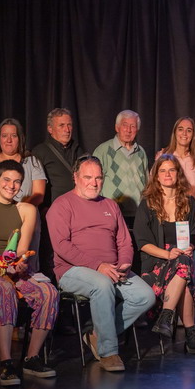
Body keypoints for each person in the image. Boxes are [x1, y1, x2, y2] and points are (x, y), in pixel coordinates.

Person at [47, 155, 155, 372]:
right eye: (88, 177)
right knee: (102, 284)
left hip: (112, 269)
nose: (94, 183)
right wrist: (97, 266)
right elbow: (61, 246)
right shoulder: (62, 205)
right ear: (75, 177)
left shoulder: (110, 205)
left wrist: (124, 263)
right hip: (73, 270)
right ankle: (108, 352)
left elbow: (124, 241)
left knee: (145, 296)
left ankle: (97, 335)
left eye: (98, 178)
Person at [0, 160, 58, 387]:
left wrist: (20, 263)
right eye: (7, 180)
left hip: (12, 269)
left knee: (49, 292)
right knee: (4, 288)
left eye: (17, 181)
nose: (11, 185)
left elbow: (21, 250)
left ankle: (31, 358)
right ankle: (6, 363)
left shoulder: (27, 210)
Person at [133, 155, 195, 354]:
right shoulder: (147, 204)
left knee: (184, 263)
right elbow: (142, 243)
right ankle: (190, 333)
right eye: (163, 170)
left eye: (172, 170)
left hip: (181, 260)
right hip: (156, 264)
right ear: (156, 176)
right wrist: (167, 254)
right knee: (185, 268)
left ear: (178, 174)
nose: (167, 174)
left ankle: (166, 317)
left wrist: (191, 246)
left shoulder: (188, 202)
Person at [32, 108, 84, 282]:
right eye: (61, 125)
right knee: (52, 256)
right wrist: (44, 209)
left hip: (79, 214)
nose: (67, 129)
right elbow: (35, 185)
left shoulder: (79, 150)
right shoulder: (40, 152)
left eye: (69, 125)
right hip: (53, 214)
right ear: (50, 129)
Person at [0, 118, 46, 270]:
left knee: (24, 267)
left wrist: (20, 214)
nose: (9, 140)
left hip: (27, 220)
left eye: (13, 136)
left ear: (20, 138)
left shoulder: (32, 161)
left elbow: (39, 194)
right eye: (4, 135)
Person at [93, 110, 149, 227]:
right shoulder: (103, 150)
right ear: (117, 127)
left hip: (138, 214)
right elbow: (94, 184)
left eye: (133, 126)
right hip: (111, 213)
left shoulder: (141, 152)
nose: (128, 130)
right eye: (125, 125)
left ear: (137, 130)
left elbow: (147, 183)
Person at [156, 117, 195, 240]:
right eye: (180, 129)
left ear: (193, 135)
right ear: (175, 132)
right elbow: (154, 186)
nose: (184, 133)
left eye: (189, 130)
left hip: (190, 218)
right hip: (167, 216)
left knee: (187, 250)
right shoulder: (163, 156)